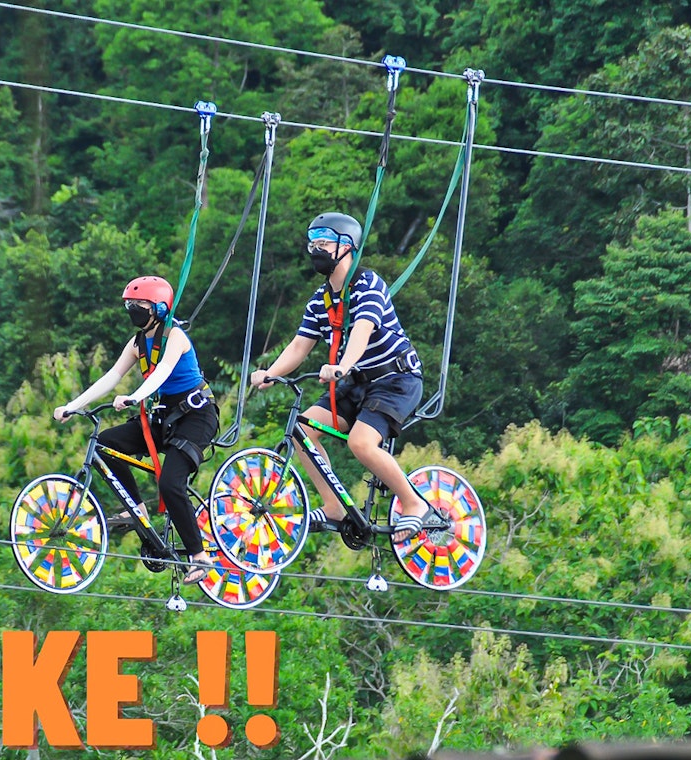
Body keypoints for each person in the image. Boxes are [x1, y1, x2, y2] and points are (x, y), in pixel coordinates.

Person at [249, 212, 431, 542]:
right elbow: (299, 346)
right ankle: (334, 506)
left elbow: (362, 330)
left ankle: (413, 503)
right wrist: (269, 374)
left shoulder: (368, 284)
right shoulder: (321, 300)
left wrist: (343, 366)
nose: (315, 250)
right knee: (302, 431)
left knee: (360, 443)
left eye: (323, 243)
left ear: (346, 247)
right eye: (312, 243)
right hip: (357, 383)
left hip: (395, 380)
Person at [54, 276, 220, 584]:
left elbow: (162, 374)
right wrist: (73, 405)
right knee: (105, 446)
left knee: (170, 484)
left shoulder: (176, 337)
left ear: (158, 308)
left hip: (196, 416)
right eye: (129, 305)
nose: (133, 310)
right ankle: (136, 511)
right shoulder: (137, 342)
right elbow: (111, 377)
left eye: (139, 305)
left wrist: (136, 396)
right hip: (163, 416)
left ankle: (200, 557)